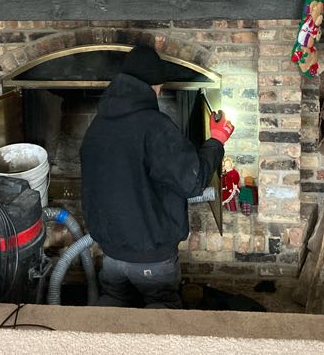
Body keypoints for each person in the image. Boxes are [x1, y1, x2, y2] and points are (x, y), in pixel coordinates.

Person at [80, 45, 235, 308]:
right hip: (153, 259)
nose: (160, 92)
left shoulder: (97, 125)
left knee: (112, 313)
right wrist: (216, 141)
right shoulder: (155, 126)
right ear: (153, 86)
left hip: (111, 256)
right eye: (160, 87)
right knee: (161, 318)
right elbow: (193, 181)